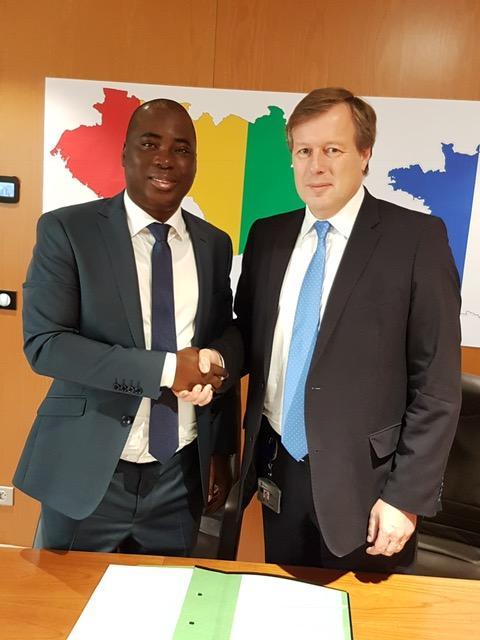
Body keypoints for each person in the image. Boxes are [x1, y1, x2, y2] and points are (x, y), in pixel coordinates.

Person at [193, 87, 462, 572]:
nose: (316, 166)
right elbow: (250, 333)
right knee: (289, 598)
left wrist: (405, 497)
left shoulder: (416, 240)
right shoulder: (268, 236)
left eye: (332, 149)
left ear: (365, 153)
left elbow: (436, 386)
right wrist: (220, 358)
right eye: (304, 151)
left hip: (370, 488)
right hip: (277, 466)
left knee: (366, 610)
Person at [14, 98, 238, 556]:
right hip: (88, 469)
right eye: (150, 144)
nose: (165, 159)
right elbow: (46, 345)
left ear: (195, 162)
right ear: (124, 153)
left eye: (181, 149)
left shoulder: (214, 244)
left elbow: (220, 340)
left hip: (179, 476)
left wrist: (221, 451)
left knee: (163, 599)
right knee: (67, 600)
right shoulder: (68, 230)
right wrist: (166, 370)